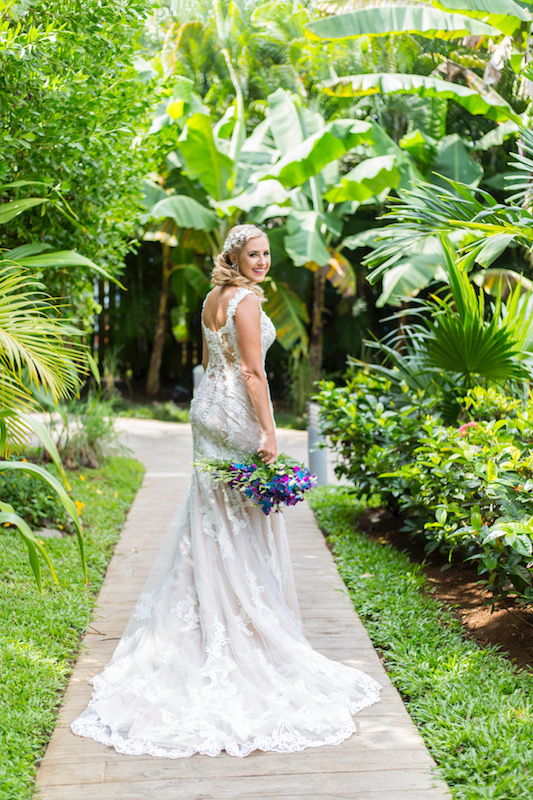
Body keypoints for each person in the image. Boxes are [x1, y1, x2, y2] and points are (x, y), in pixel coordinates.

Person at [71, 223, 381, 758]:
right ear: (234, 256)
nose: (261, 261)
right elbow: (253, 373)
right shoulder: (244, 301)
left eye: (265, 254)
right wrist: (269, 432)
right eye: (252, 254)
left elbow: (217, 363)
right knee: (244, 514)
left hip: (206, 414)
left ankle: (218, 608)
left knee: (211, 514)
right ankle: (241, 623)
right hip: (236, 413)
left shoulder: (214, 297)